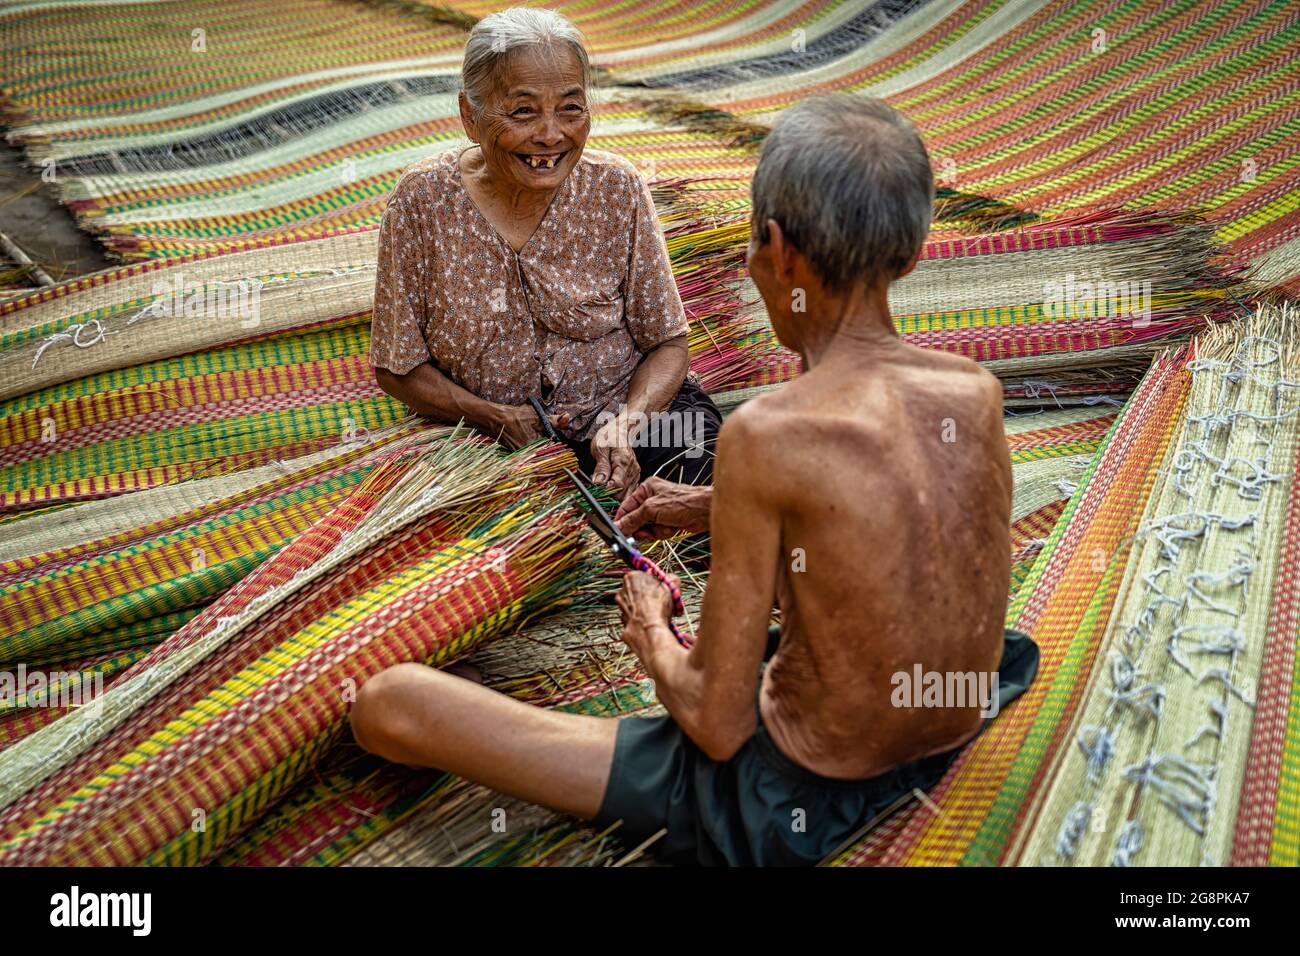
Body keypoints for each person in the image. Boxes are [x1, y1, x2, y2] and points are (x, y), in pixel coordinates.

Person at [350, 93, 1039, 866]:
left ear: (775, 252)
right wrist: (715, 507)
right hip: (951, 718)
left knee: (391, 706)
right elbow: (888, 516)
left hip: (786, 794)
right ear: (911, 254)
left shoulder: (766, 435)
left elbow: (716, 722)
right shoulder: (973, 393)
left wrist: (651, 626)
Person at [367, 7, 720, 495]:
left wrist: (628, 424)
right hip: (484, 441)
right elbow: (397, 366)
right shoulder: (421, 202)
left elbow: (668, 344)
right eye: (523, 111)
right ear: (470, 116)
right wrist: (492, 416)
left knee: (708, 483)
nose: (551, 135)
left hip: (624, 413)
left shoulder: (616, 189)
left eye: (571, 108)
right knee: (482, 543)